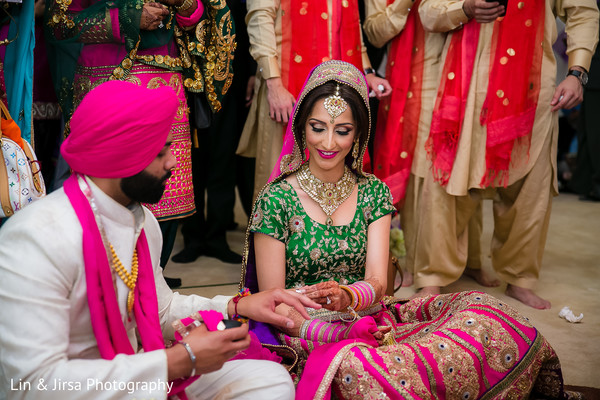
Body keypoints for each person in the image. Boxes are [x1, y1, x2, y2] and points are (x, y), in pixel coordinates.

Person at [240, 60, 566, 399]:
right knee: (364, 369)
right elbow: (273, 303)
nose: (328, 143)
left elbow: (378, 282)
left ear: (359, 133)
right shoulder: (277, 197)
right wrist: (338, 334)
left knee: (488, 311)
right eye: (317, 127)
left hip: (371, 318)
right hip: (305, 330)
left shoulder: (372, 192)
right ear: (301, 128)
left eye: (342, 130)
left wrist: (349, 297)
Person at [0, 81, 321, 399]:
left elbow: (160, 309)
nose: (172, 163)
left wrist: (237, 305)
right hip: (88, 387)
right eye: (160, 152)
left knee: (269, 380)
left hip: (142, 370)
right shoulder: (35, 239)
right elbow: (32, 384)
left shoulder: (141, 220)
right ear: (120, 156)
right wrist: (176, 361)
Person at [413, 0, 599, 308]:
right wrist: (464, 8)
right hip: (464, 89)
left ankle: (520, 278)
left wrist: (577, 73)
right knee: (444, 183)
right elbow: (428, 11)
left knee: (530, 188)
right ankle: (432, 276)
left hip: (530, 87)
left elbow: (582, 11)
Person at [44, 0, 235, 277]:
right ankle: (110, 289)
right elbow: (60, 24)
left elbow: (201, 19)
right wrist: (128, 17)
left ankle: (152, 287)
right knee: (109, 195)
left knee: (166, 192)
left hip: (167, 83)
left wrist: (184, 5)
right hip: (108, 81)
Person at [238, 0, 393, 201]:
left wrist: (367, 73)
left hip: (338, 93)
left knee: (340, 176)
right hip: (286, 88)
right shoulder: (278, 87)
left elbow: (349, 27)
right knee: (282, 181)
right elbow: (260, 18)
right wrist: (274, 85)